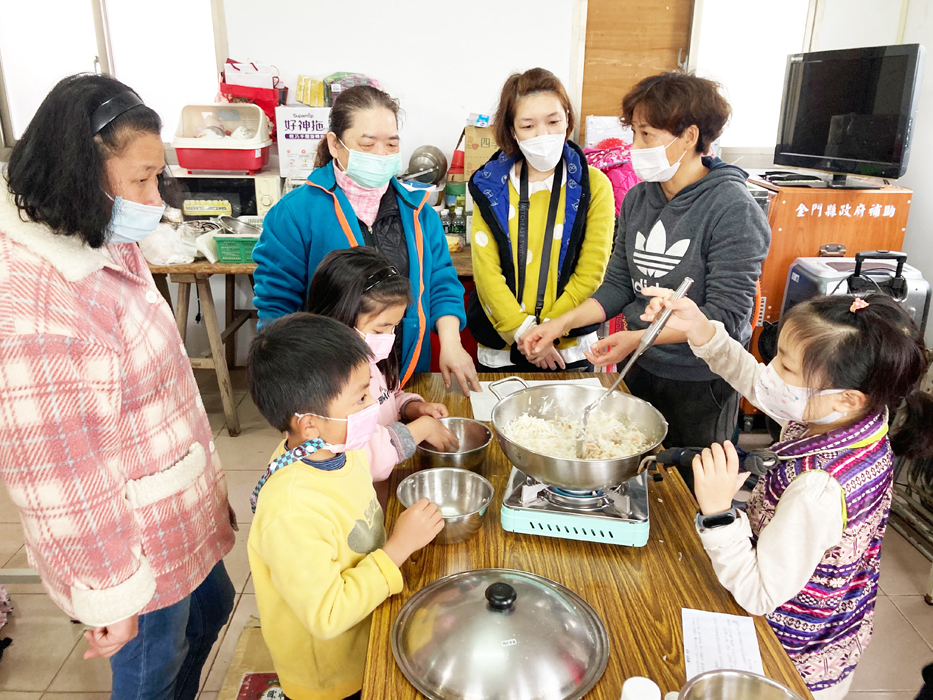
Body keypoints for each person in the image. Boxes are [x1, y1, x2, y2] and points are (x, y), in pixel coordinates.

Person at [0, 74, 236, 699]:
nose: (153, 198)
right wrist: (111, 590)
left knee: (213, 608)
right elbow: (59, 476)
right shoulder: (34, 306)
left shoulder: (92, 226)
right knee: (151, 663)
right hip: (125, 536)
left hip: (168, 489)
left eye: (157, 177)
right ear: (81, 171)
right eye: (141, 180)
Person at [641, 288, 933, 699]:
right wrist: (702, 330)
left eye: (787, 367)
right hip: (815, 604)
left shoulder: (819, 489)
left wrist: (719, 513)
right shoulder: (847, 417)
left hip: (790, 657)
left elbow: (760, 592)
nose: (771, 372)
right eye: (776, 355)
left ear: (847, 397)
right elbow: (757, 383)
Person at [523, 72, 771, 488]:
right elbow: (619, 283)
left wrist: (638, 338)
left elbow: (726, 317)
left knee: (690, 491)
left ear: (689, 136)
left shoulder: (732, 209)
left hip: (701, 381)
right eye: (633, 133)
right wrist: (560, 323)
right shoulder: (641, 197)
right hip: (641, 368)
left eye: (646, 134)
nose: (634, 148)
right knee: (638, 479)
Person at [246, 314, 444, 700]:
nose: (373, 403)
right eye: (360, 397)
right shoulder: (291, 512)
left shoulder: (342, 450)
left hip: (367, 627)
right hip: (331, 677)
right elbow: (328, 614)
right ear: (310, 426)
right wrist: (399, 547)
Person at [252, 86, 480, 395]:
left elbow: (440, 282)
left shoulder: (419, 212)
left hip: (409, 371)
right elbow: (278, 309)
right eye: (368, 143)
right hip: (332, 384)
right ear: (335, 144)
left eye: (391, 144)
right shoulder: (294, 214)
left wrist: (451, 343)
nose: (381, 155)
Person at [468, 67, 614, 372]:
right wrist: (524, 334)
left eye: (553, 122)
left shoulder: (594, 185)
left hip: (569, 350)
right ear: (512, 130)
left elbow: (591, 273)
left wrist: (550, 331)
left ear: (568, 121)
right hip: (501, 350)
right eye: (528, 125)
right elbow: (485, 272)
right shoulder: (490, 185)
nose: (543, 135)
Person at [306, 247, 459, 505]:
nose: (389, 336)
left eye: (393, 327)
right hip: (353, 502)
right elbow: (367, 458)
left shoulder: (367, 358)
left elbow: (388, 396)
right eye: (381, 328)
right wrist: (422, 428)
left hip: (381, 490)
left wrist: (412, 407)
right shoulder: (332, 383)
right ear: (337, 317)